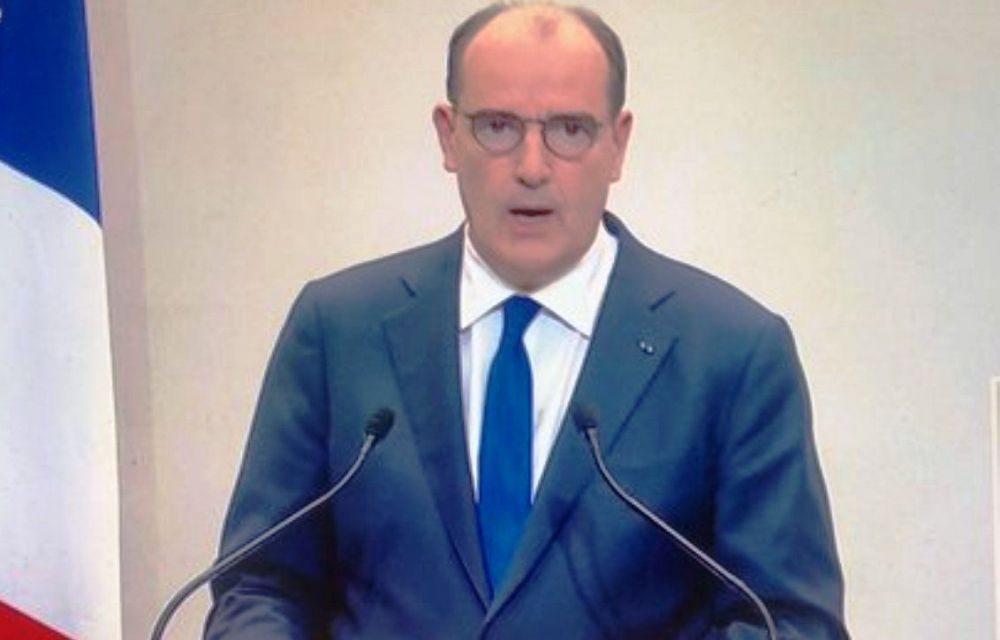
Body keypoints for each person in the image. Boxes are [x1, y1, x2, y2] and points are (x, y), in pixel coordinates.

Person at [204, 3, 848, 638]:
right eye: (498, 126)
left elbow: (790, 623)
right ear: (448, 135)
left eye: (570, 130)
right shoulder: (338, 328)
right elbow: (260, 585)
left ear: (618, 144)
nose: (532, 167)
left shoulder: (733, 352)